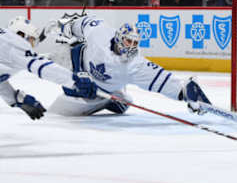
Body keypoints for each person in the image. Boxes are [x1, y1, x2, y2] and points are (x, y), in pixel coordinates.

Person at [47, 14, 210, 116]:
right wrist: (65, 25)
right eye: (128, 40)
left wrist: (185, 92)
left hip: (100, 90)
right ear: (119, 37)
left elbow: (164, 82)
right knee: (58, 55)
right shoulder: (99, 30)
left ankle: (111, 99)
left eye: (135, 42)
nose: (131, 45)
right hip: (76, 63)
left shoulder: (136, 65)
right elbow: (80, 24)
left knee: (121, 106)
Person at [0, 16, 97, 120]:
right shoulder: (13, 43)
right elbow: (40, 66)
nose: (31, 47)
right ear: (20, 34)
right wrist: (73, 80)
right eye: (32, 40)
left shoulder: (5, 47)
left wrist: (16, 98)